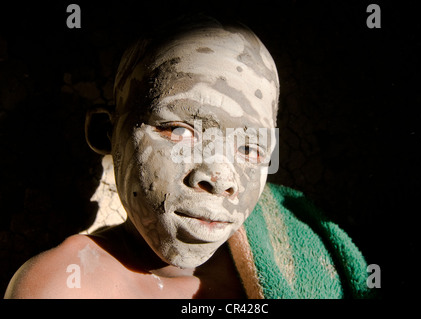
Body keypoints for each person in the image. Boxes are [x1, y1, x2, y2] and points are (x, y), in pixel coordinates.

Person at [4, 16, 372, 299]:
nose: (222, 176)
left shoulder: (294, 251)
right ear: (107, 133)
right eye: (179, 131)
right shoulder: (69, 285)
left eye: (249, 148)